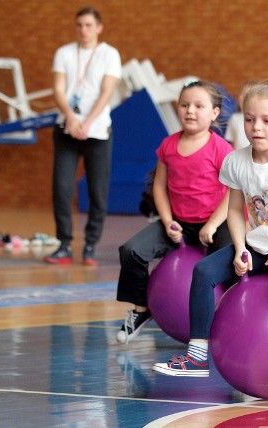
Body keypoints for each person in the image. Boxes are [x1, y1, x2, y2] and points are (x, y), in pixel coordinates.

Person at [153, 83, 268, 393]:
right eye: (249, 119)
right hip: (259, 242)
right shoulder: (236, 161)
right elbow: (235, 210)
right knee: (204, 271)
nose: (256, 127)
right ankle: (196, 358)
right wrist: (238, 249)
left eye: (266, 120)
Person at [115, 81, 233, 344]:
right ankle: (141, 309)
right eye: (184, 105)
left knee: (229, 263)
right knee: (131, 251)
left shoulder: (221, 149)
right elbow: (159, 186)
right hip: (178, 223)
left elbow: (233, 192)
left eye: (198, 106)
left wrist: (212, 226)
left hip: (213, 224)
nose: (190, 111)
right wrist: (168, 222)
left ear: (214, 113)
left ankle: (229, 319)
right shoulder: (168, 145)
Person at [45, 7, 122, 266]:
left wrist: (87, 122)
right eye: (79, 25)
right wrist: (70, 115)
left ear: (99, 27)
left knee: (97, 191)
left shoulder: (109, 54)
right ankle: (64, 244)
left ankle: (90, 245)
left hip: (97, 132)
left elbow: (106, 92)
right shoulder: (64, 53)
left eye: (89, 25)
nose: (83, 30)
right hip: (67, 128)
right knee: (62, 188)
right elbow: (58, 88)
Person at [225, 81, 254, 150]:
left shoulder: (260, 120)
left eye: (249, 95)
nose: (245, 98)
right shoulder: (234, 118)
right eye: (243, 95)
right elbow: (230, 142)